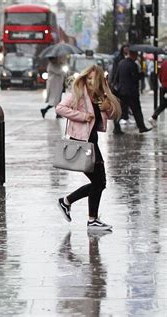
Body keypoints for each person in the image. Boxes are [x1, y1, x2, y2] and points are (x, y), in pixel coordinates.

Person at [55, 65, 121, 231]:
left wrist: (108, 108)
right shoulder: (78, 93)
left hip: (92, 143)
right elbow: (60, 108)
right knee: (99, 182)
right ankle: (81, 213)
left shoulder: (100, 97)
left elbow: (113, 115)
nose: (91, 82)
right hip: (81, 143)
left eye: (95, 79)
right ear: (84, 79)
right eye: (89, 78)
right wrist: (83, 116)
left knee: (99, 182)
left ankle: (71, 205)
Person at [115, 49, 151, 133]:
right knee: (137, 110)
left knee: (119, 110)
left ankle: (116, 128)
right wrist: (142, 74)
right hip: (131, 92)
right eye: (136, 55)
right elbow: (135, 78)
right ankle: (141, 127)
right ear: (133, 55)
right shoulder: (133, 65)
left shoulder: (121, 63)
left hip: (121, 92)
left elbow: (116, 77)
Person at [109, 44, 129, 134]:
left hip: (124, 86)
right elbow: (114, 72)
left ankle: (117, 126)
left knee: (122, 107)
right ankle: (116, 127)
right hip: (118, 86)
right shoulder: (118, 59)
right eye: (125, 48)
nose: (126, 50)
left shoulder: (128, 58)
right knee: (117, 107)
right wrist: (113, 83)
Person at [148, 58, 167, 128]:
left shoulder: (164, 63)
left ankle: (154, 117)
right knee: (163, 104)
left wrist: (163, 83)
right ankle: (153, 117)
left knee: (163, 104)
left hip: (163, 87)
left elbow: (160, 75)